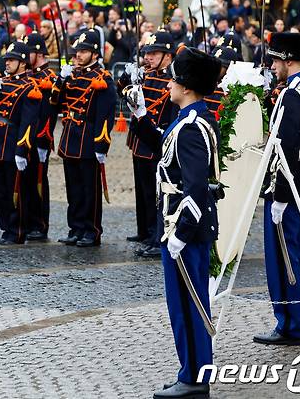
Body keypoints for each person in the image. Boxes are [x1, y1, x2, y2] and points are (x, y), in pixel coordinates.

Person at [127, 46, 221, 399]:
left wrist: (180, 233)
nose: (168, 84)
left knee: (189, 305)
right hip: (179, 227)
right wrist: (139, 116)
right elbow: (164, 144)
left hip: (184, 230)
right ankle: (189, 369)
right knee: (181, 304)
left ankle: (196, 378)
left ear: (187, 86)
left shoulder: (193, 126)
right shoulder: (188, 119)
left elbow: (196, 188)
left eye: (174, 80)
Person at [253, 33, 300, 346]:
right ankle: (294, 322)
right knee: (292, 253)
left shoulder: (293, 93)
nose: (273, 65)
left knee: (286, 257)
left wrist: (280, 195)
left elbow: (287, 147)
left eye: (276, 60)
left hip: (289, 185)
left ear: (289, 59)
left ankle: (293, 325)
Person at [51, 29, 115, 247]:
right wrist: (60, 80)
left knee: (90, 190)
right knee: (74, 188)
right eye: (77, 51)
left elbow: (106, 115)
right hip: (70, 136)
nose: (77, 55)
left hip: (88, 138)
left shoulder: (102, 78)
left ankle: (92, 230)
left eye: (83, 51)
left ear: (95, 54)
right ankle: (76, 227)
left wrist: (101, 144)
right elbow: (55, 103)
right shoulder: (72, 76)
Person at [0, 41, 40, 245]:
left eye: (12, 60)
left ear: (23, 63)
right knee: (0, 190)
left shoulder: (30, 88)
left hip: (13, 142)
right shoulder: (0, 83)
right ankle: (6, 228)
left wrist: (22, 149)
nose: (8, 63)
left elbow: (28, 123)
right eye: (7, 59)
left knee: (16, 191)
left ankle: (17, 230)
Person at [124, 31, 177, 257]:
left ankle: (157, 236)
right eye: (147, 53)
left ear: (167, 55)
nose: (149, 57)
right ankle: (145, 230)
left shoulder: (172, 78)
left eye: (154, 53)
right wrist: (128, 80)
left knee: (155, 194)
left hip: (156, 140)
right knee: (143, 191)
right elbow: (126, 96)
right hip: (140, 140)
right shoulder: (147, 75)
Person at [24, 32, 56, 241]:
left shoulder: (49, 78)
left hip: (39, 136)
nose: (26, 57)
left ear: (39, 53)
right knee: (25, 181)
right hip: (24, 136)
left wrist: (45, 139)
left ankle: (40, 224)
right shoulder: (29, 75)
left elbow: (49, 112)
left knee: (38, 181)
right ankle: (27, 220)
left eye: (29, 53)